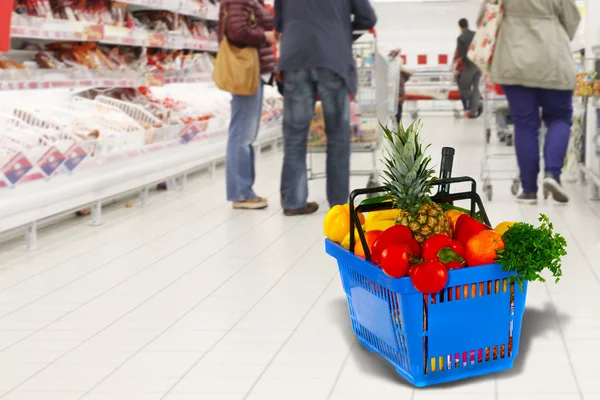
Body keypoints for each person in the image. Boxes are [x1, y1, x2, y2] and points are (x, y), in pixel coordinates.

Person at [274, 0, 377, 216]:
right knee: (338, 137)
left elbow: (279, 23)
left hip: (294, 57)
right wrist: (341, 31)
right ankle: (339, 205)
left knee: (294, 135)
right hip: (333, 57)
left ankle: (293, 200)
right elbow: (368, 17)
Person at [478, 0, 581, 204]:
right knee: (559, 118)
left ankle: (529, 190)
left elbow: (484, 18)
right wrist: (554, 32)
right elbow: (572, 19)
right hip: (553, 57)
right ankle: (552, 174)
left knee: (525, 125)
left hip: (513, 59)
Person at [218, 0, 278, 209]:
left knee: (245, 134)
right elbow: (236, 30)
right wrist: (266, 36)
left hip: (253, 71)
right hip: (246, 71)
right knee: (242, 135)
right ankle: (241, 194)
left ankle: (244, 191)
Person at [454, 18, 481, 118]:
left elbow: (460, 55)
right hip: (478, 64)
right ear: (467, 24)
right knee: (476, 88)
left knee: (464, 87)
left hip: (469, 65)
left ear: (460, 26)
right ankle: (473, 112)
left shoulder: (461, 38)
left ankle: (476, 102)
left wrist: (457, 69)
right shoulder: (476, 34)